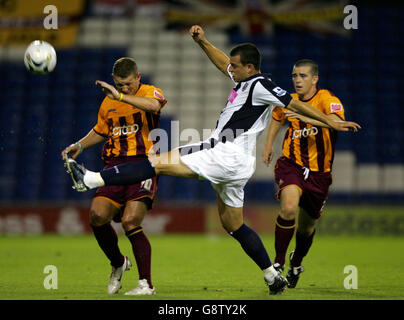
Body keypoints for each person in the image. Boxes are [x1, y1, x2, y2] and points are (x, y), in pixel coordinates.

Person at [64, 26, 360, 295]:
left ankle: (92, 179)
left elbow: (293, 103)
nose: (229, 68)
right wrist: (203, 42)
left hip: (224, 152)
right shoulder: (244, 81)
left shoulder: (260, 84)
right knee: (233, 225)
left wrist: (330, 123)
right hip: (237, 164)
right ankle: (272, 275)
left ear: (250, 67)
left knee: (157, 161)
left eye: (235, 65)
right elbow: (221, 62)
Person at [61, 57, 166, 295]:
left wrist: (120, 96)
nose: (124, 89)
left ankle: (145, 283)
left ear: (138, 77)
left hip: (144, 165)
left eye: (128, 84)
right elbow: (101, 130)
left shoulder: (151, 91)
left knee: (130, 221)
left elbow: (154, 107)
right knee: (97, 216)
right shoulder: (108, 103)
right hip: (114, 166)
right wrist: (80, 144)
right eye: (119, 85)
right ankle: (118, 263)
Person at [262, 59, 346, 288]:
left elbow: (337, 123)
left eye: (303, 76)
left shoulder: (328, 99)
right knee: (288, 208)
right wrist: (268, 145)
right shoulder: (288, 100)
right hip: (292, 165)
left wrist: (306, 118)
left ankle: (296, 262)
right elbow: (277, 120)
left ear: (315, 79)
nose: (297, 80)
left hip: (320, 173)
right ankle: (278, 264)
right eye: (294, 76)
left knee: (307, 227)